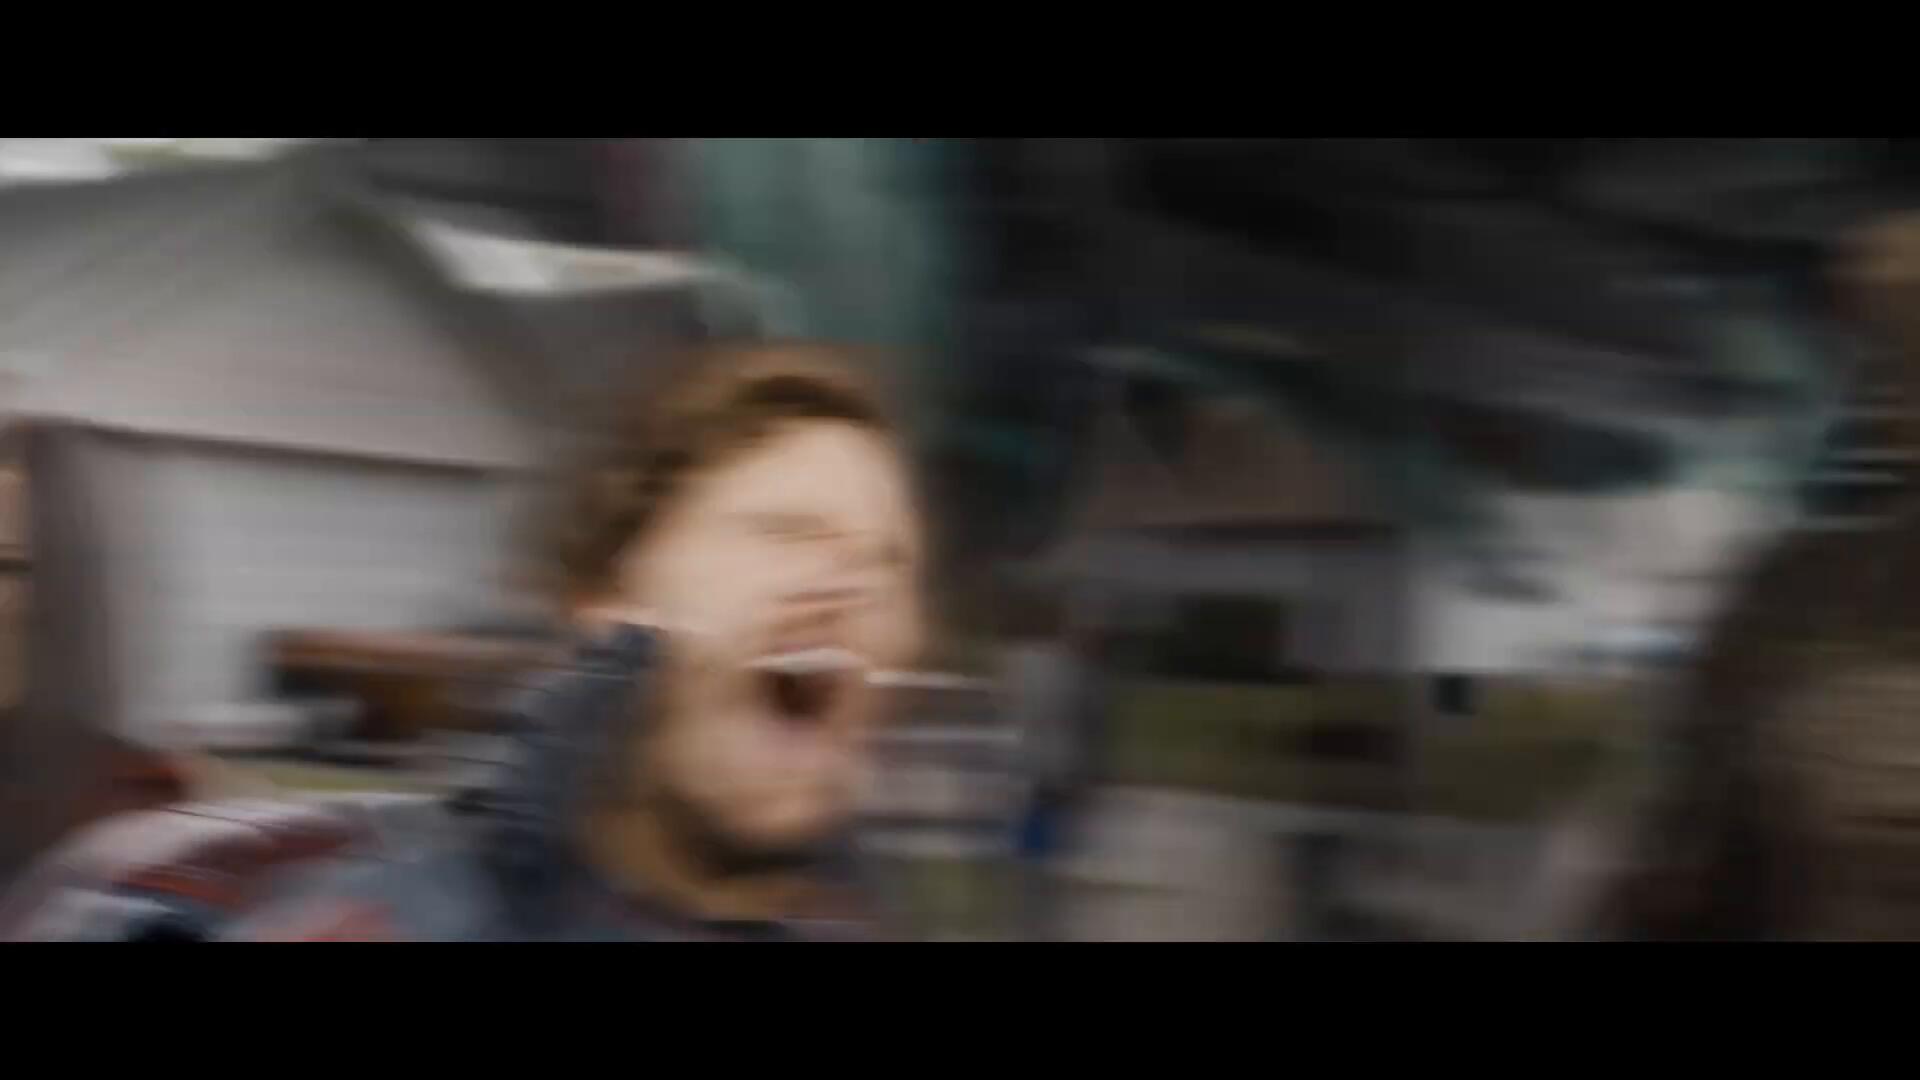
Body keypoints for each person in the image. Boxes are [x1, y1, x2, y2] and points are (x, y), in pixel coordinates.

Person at [0, 341, 928, 941]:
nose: (847, 582)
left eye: (887, 561)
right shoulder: (364, 917)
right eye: (784, 531)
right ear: (607, 602)